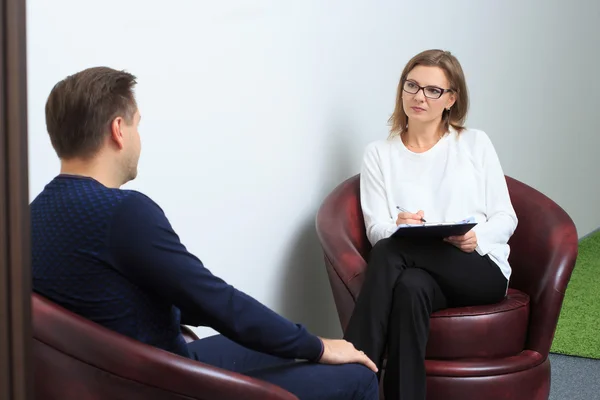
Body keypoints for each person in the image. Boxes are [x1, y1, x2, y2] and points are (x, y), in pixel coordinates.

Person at [30, 66, 378, 400]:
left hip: (105, 379)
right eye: (137, 125)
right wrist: (318, 346)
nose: (139, 138)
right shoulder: (123, 212)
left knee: (283, 345)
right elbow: (215, 302)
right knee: (357, 375)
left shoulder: (33, 215)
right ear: (118, 130)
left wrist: (303, 342)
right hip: (165, 385)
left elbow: (111, 298)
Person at [343, 49, 518, 400]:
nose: (419, 96)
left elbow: (506, 217)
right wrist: (398, 224)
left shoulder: (474, 143)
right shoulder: (380, 153)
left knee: (396, 250)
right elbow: (377, 230)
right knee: (409, 286)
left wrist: (476, 237)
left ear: (451, 98)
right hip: (417, 268)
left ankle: (349, 375)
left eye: (432, 90)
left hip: (477, 268)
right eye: (412, 85)